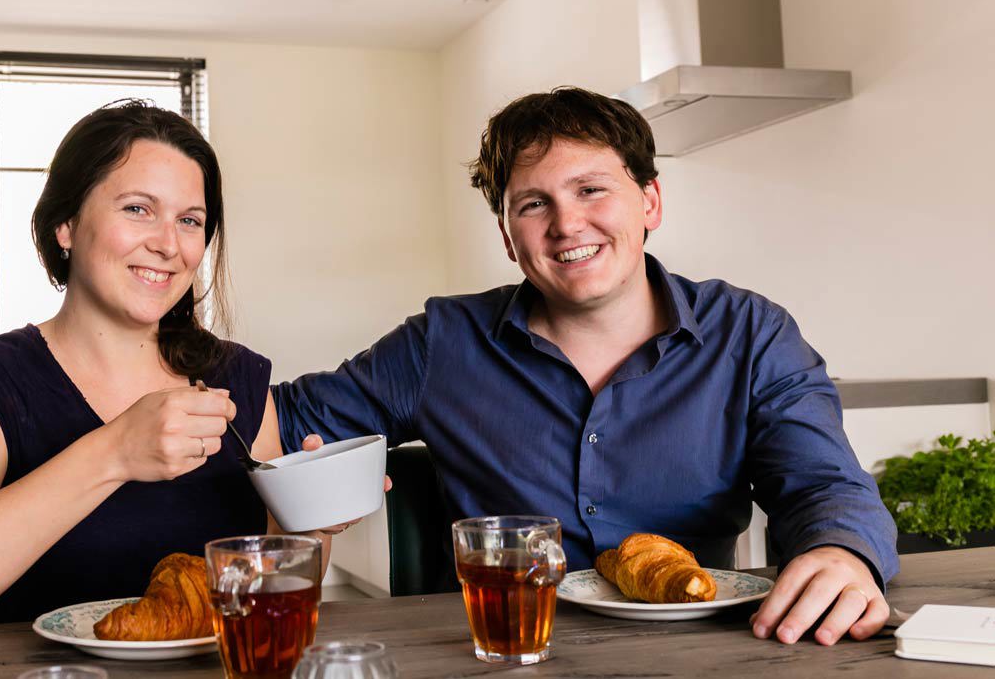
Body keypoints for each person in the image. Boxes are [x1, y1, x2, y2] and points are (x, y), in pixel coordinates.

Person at [272, 87, 898, 646]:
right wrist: (206, 389)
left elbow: (824, 485)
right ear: (507, 235)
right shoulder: (442, 341)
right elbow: (284, 418)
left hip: (696, 652)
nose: (567, 224)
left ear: (650, 201)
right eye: (532, 204)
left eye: (591, 189)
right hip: (498, 651)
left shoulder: (752, 333)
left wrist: (840, 552)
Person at [0, 101, 322, 633]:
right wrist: (115, 451)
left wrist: (315, 524)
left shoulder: (238, 379)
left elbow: (279, 582)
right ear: (65, 225)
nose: (168, 245)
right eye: (138, 209)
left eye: (189, 220)